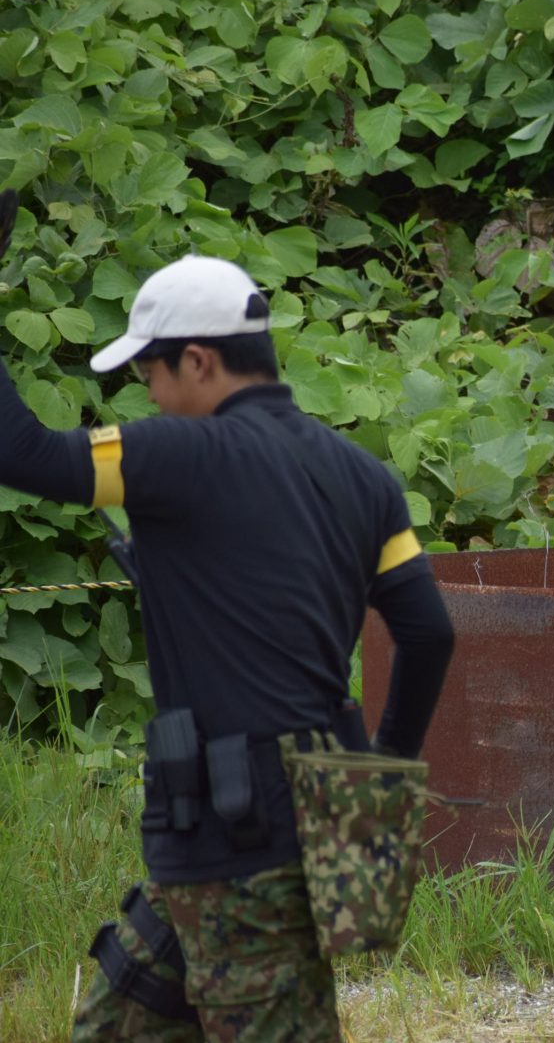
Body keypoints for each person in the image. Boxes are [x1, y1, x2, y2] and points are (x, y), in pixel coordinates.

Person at [0, 241, 456, 1041]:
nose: (148, 392)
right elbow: (428, 633)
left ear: (199, 360)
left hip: (244, 853)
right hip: (237, 838)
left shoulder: (173, 455)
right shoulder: (364, 477)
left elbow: (22, 454)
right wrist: (377, 778)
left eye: (150, 372)